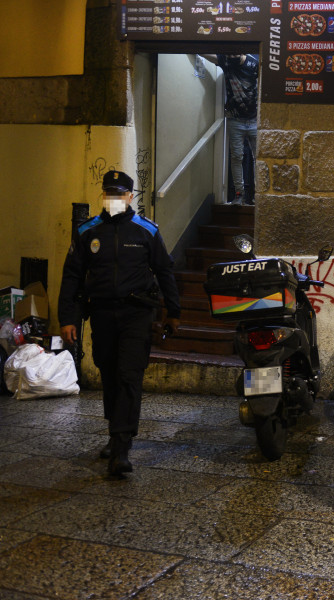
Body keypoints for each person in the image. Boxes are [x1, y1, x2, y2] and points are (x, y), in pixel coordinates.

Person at [58, 171, 181, 477]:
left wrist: (173, 311)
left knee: (129, 375)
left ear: (130, 197)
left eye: (119, 193)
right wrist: (67, 319)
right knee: (109, 373)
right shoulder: (88, 231)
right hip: (101, 314)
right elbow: (72, 276)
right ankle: (116, 433)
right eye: (108, 192)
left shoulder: (146, 231)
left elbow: (165, 271)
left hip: (136, 314)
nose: (113, 198)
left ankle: (122, 447)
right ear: (103, 195)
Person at [202, 54, 259, 205]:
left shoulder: (255, 63)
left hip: (255, 119)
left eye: (235, 53)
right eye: (230, 53)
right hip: (235, 119)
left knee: (259, 159)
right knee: (236, 157)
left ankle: (258, 194)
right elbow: (205, 53)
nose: (232, 56)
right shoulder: (226, 60)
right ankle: (239, 194)